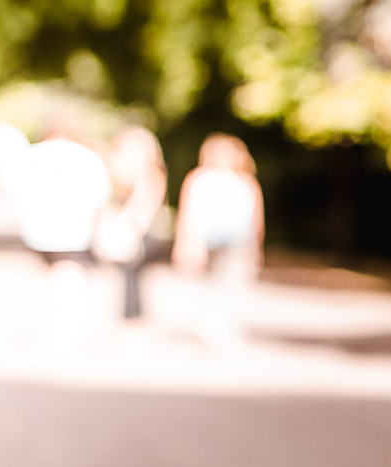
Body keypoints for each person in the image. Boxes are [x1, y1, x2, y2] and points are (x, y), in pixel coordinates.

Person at [171, 132, 265, 348]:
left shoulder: (245, 180)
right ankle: (212, 323)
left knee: (233, 283)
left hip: (238, 242)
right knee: (211, 283)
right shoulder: (199, 177)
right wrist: (185, 241)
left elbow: (256, 217)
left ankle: (224, 326)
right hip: (206, 240)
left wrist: (257, 246)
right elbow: (187, 213)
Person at [95, 125, 168, 321]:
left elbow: (145, 203)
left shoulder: (150, 175)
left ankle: (133, 319)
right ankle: (131, 317)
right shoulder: (133, 174)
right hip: (134, 227)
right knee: (128, 279)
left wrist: (134, 226)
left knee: (133, 277)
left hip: (139, 229)